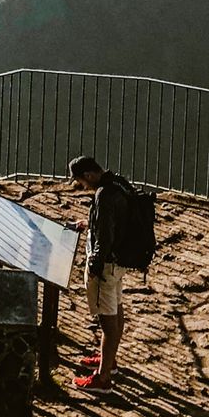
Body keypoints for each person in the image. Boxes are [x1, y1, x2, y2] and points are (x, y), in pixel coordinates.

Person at [68, 154, 127, 394]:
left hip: (106, 267)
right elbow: (112, 224)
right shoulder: (118, 184)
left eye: (82, 181)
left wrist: (95, 266)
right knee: (116, 308)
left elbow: (105, 237)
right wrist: (89, 223)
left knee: (107, 321)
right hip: (120, 262)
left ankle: (103, 380)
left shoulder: (103, 195)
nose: (82, 186)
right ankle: (109, 361)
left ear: (90, 175)